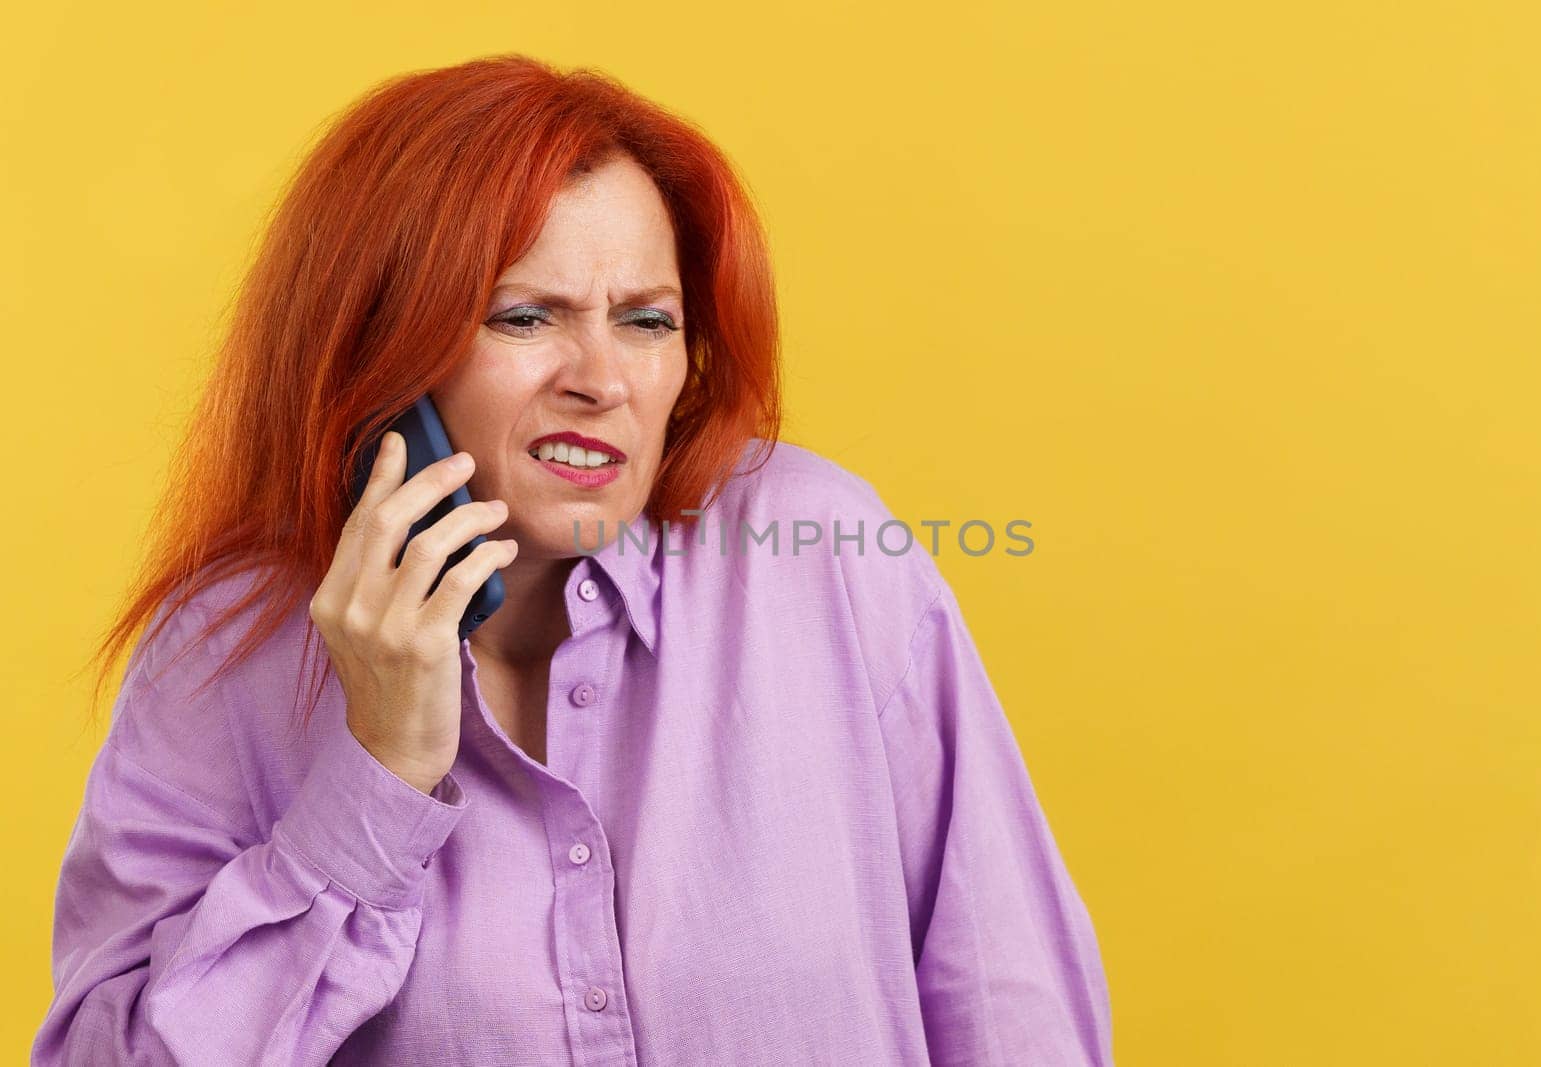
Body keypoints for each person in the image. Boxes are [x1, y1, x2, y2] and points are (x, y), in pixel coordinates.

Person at [33, 53, 1113, 1065]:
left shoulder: (827, 556)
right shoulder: (229, 654)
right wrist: (375, 780)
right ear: (382, 355)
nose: (603, 377)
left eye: (646, 319)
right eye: (525, 316)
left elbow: (1011, 999)